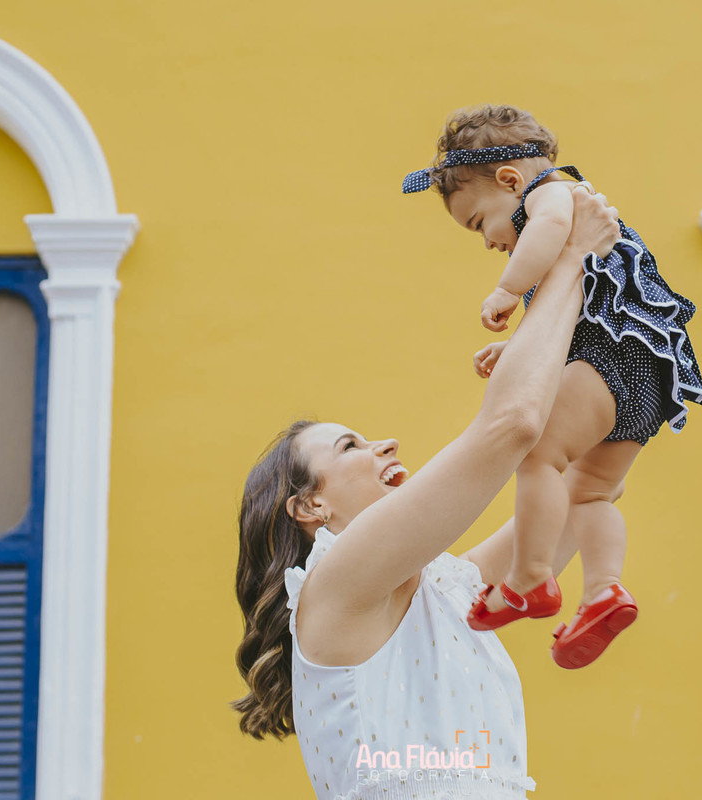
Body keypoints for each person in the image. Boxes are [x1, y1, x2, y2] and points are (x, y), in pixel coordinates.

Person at [232, 186, 620, 800]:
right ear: (311, 508)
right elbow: (511, 428)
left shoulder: (446, 591)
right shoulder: (336, 585)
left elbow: (582, 492)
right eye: (350, 447)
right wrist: (570, 258)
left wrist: (621, 360)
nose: (383, 444)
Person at [401, 105, 702, 669]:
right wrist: (517, 347)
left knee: (540, 453)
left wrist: (508, 291)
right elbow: (574, 306)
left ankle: (531, 576)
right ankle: (604, 590)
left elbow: (543, 236)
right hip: (650, 379)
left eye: (479, 223)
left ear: (510, 181)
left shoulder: (552, 193)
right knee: (589, 491)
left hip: (612, 359)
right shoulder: (573, 219)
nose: (489, 241)